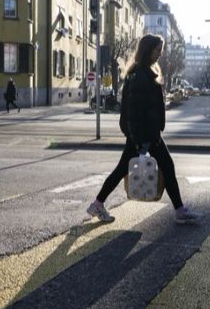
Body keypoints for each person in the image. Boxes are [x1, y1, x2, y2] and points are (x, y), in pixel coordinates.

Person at [87, 34, 203, 224]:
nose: (160, 54)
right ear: (148, 50)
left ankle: (98, 204)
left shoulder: (143, 72)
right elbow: (135, 111)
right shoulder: (141, 75)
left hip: (145, 134)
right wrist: (140, 140)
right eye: (158, 50)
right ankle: (180, 211)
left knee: (145, 167)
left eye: (161, 50)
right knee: (162, 166)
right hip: (144, 136)